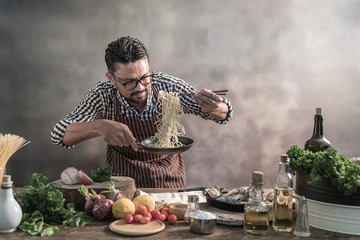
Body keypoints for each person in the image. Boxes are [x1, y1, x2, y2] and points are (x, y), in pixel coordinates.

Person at [51, 36, 233, 188]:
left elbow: (224, 113)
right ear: (111, 79)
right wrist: (99, 126)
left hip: (167, 182)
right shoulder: (103, 94)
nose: (140, 87)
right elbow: (59, 134)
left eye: (145, 77)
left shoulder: (167, 86)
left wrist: (216, 108)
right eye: (129, 82)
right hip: (120, 184)